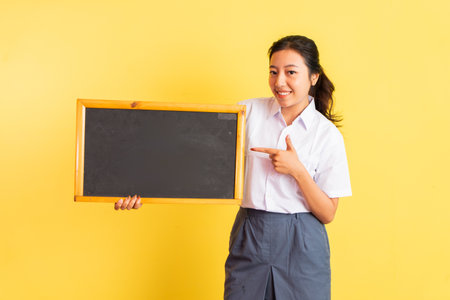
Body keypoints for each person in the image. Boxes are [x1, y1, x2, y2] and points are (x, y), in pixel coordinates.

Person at [114, 35, 352, 300]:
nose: (280, 82)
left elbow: (328, 213)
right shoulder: (246, 113)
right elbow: (188, 160)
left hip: (303, 242)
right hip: (251, 234)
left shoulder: (327, 135)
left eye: (291, 72)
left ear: (314, 77)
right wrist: (137, 187)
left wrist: (297, 170)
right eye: (273, 72)